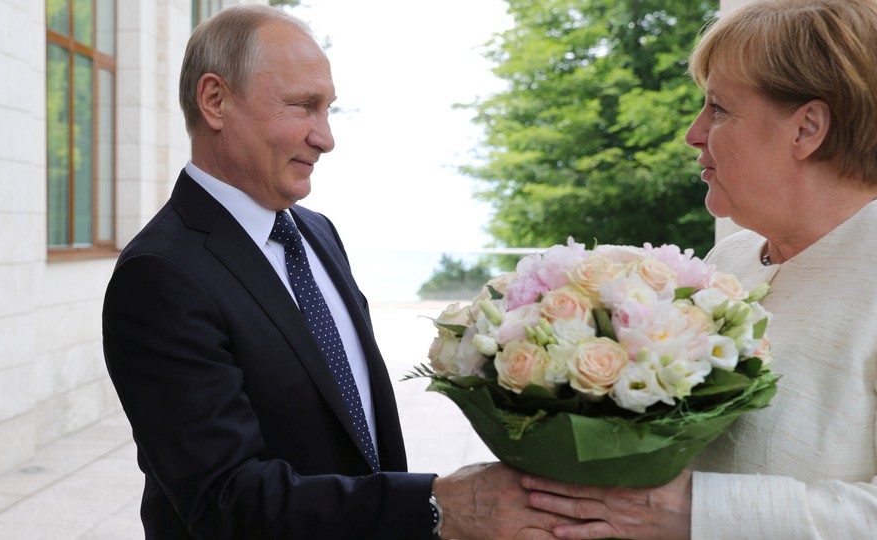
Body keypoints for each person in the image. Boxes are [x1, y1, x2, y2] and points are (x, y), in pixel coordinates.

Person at [102, 5, 569, 539]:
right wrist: (436, 505)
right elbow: (224, 500)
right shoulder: (160, 273)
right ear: (215, 101)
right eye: (303, 107)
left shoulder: (316, 232)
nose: (325, 138)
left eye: (328, 111)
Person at [519, 0, 877, 538]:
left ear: (807, 128)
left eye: (719, 109)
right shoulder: (730, 260)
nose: (693, 133)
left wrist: (692, 513)